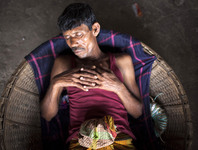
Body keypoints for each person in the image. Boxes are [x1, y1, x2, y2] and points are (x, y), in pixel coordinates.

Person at [40, 3, 142, 149]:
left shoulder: (121, 61)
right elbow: (47, 115)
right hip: (81, 140)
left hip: (117, 138)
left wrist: (118, 87)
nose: (73, 43)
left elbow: (137, 112)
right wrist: (56, 83)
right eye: (67, 37)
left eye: (78, 34)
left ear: (95, 29)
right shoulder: (64, 63)